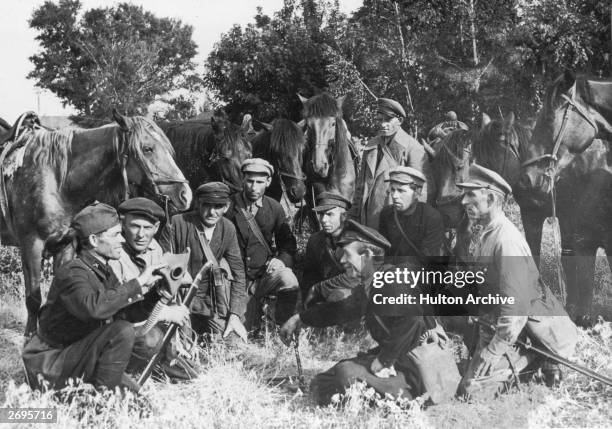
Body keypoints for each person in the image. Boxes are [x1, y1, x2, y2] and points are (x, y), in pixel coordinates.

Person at [280, 220, 448, 405]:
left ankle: (405, 401)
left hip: (418, 370)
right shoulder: (373, 283)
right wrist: (300, 318)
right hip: (399, 360)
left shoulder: (393, 281)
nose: (342, 260)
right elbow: (341, 310)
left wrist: (384, 360)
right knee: (325, 380)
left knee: (345, 375)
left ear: (367, 255)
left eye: (347, 254)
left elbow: (414, 320)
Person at [456, 164, 578, 398]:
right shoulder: (487, 231)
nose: (463, 201)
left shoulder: (506, 240)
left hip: (529, 331)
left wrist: (493, 352)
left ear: (490, 198)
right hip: (500, 323)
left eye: (471, 194)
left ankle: (537, 358)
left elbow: (516, 311)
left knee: (471, 391)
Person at [22, 202, 165, 392]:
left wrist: (157, 293)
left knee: (142, 405)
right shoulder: (73, 272)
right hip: (50, 362)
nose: (122, 240)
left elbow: (123, 314)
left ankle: (102, 396)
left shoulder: (102, 271)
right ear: (95, 241)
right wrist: (138, 282)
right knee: (121, 332)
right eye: (115, 235)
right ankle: (102, 403)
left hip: (76, 354)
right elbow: (94, 309)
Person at [109, 197, 194, 377]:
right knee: (151, 340)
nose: (141, 235)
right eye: (135, 226)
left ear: (156, 228)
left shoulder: (154, 246)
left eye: (147, 228)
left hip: (148, 315)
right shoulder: (114, 253)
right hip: (123, 325)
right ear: (123, 225)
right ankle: (131, 372)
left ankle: (166, 359)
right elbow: (118, 310)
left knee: (191, 373)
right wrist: (163, 314)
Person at [164, 182, 248, 341]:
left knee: (234, 344)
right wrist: (178, 273)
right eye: (206, 205)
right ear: (197, 204)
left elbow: (238, 274)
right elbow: (162, 261)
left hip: (211, 303)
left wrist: (235, 315)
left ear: (227, 206)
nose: (211, 212)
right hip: (180, 300)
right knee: (184, 350)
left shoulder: (228, 228)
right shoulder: (177, 222)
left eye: (218, 206)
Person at [224, 158, 299, 331]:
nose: (254, 187)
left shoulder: (274, 208)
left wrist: (281, 260)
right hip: (236, 279)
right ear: (243, 180)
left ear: (268, 181)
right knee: (243, 333)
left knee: (288, 278)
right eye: (249, 181)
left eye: (259, 182)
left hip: (263, 276)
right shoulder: (228, 207)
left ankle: (283, 326)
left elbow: (288, 244)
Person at [351, 98, 432, 228]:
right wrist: (354, 215)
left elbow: (421, 192)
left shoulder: (413, 148)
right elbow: (360, 186)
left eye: (388, 120)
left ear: (399, 121)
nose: (383, 124)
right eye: (379, 120)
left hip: (395, 224)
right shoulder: (371, 145)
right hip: (366, 221)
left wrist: (413, 227)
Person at [379, 166, 445, 261]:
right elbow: (382, 249)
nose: (394, 196)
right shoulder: (386, 213)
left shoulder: (431, 217)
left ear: (417, 193)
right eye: (392, 190)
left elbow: (428, 259)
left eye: (401, 191)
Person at [301, 192, 353, 307]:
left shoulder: (356, 241)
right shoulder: (315, 240)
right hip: (325, 293)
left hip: (351, 295)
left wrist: (318, 288)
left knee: (339, 296)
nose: (323, 220)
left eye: (330, 214)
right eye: (321, 214)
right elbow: (309, 276)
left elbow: (354, 278)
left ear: (343, 216)